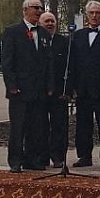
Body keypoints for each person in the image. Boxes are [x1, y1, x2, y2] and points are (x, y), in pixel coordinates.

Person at [1, 0, 54, 173]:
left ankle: (33, 159)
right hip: (20, 90)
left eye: (40, 8)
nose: (39, 11)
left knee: (37, 128)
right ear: (25, 10)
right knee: (19, 127)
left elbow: (48, 63)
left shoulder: (44, 34)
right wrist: (12, 85)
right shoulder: (12, 32)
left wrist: (49, 85)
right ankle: (15, 160)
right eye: (35, 8)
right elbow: (7, 62)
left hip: (38, 90)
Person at [70, 0, 100, 168]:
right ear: (87, 14)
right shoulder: (78, 36)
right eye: (91, 13)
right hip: (82, 89)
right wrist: (72, 87)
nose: (94, 16)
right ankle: (84, 156)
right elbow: (73, 63)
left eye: (97, 13)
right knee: (83, 124)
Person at [40, 11, 69, 168]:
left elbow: (70, 66)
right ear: (40, 24)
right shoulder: (36, 40)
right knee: (41, 125)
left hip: (59, 92)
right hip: (40, 91)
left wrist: (69, 90)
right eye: (47, 21)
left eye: (52, 21)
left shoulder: (64, 42)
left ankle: (58, 157)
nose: (50, 24)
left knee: (59, 126)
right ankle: (42, 156)